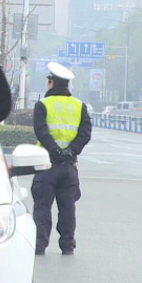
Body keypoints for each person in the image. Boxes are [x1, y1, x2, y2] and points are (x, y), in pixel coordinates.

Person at [32, 62, 92, 256]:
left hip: (47, 164)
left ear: (51, 83)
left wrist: (55, 150)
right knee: (68, 208)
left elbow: (41, 132)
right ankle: (67, 245)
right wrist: (70, 151)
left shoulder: (43, 105)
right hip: (69, 166)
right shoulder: (79, 106)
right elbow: (85, 133)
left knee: (42, 206)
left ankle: (39, 246)